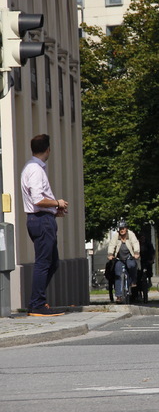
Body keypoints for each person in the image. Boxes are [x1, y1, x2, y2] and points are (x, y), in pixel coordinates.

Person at [20, 134, 69, 317]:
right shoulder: (35, 169)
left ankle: (37, 301)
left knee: (52, 263)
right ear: (48, 149)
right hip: (40, 220)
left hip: (42, 218)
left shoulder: (33, 167)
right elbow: (38, 199)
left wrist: (54, 211)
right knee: (43, 263)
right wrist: (57, 203)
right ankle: (37, 304)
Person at [107, 220, 140, 304]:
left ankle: (132, 281)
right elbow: (112, 245)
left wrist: (136, 252)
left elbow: (135, 243)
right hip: (119, 258)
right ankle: (119, 296)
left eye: (123, 228)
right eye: (120, 228)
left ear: (126, 228)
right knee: (118, 273)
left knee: (131, 265)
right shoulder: (116, 236)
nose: (122, 230)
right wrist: (110, 254)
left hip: (129, 257)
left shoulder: (131, 234)